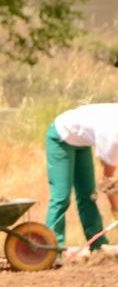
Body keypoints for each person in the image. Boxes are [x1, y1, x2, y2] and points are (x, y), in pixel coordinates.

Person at [45, 103, 118, 251]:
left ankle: (98, 246)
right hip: (60, 137)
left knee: (88, 196)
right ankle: (50, 250)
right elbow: (108, 182)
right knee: (61, 197)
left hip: (81, 142)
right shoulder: (112, 134)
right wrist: (116, 210)